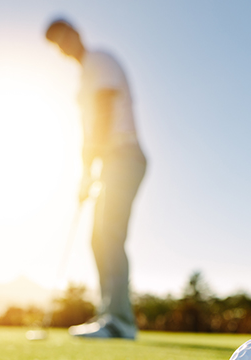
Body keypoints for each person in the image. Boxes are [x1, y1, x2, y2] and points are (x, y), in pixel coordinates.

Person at [45, 18, 147, 340]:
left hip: (123, 155)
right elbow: (89, 130)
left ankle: (119, 322)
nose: (64, 48)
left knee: (107, 235)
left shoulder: (98, 61)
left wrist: (90, 169)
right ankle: (112, 316)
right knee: (100, 237)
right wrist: (87, 171)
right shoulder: (84, 77)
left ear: (76, 34)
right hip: (111, 160)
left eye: (64, 39)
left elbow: (103, 111)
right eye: (57, 46)